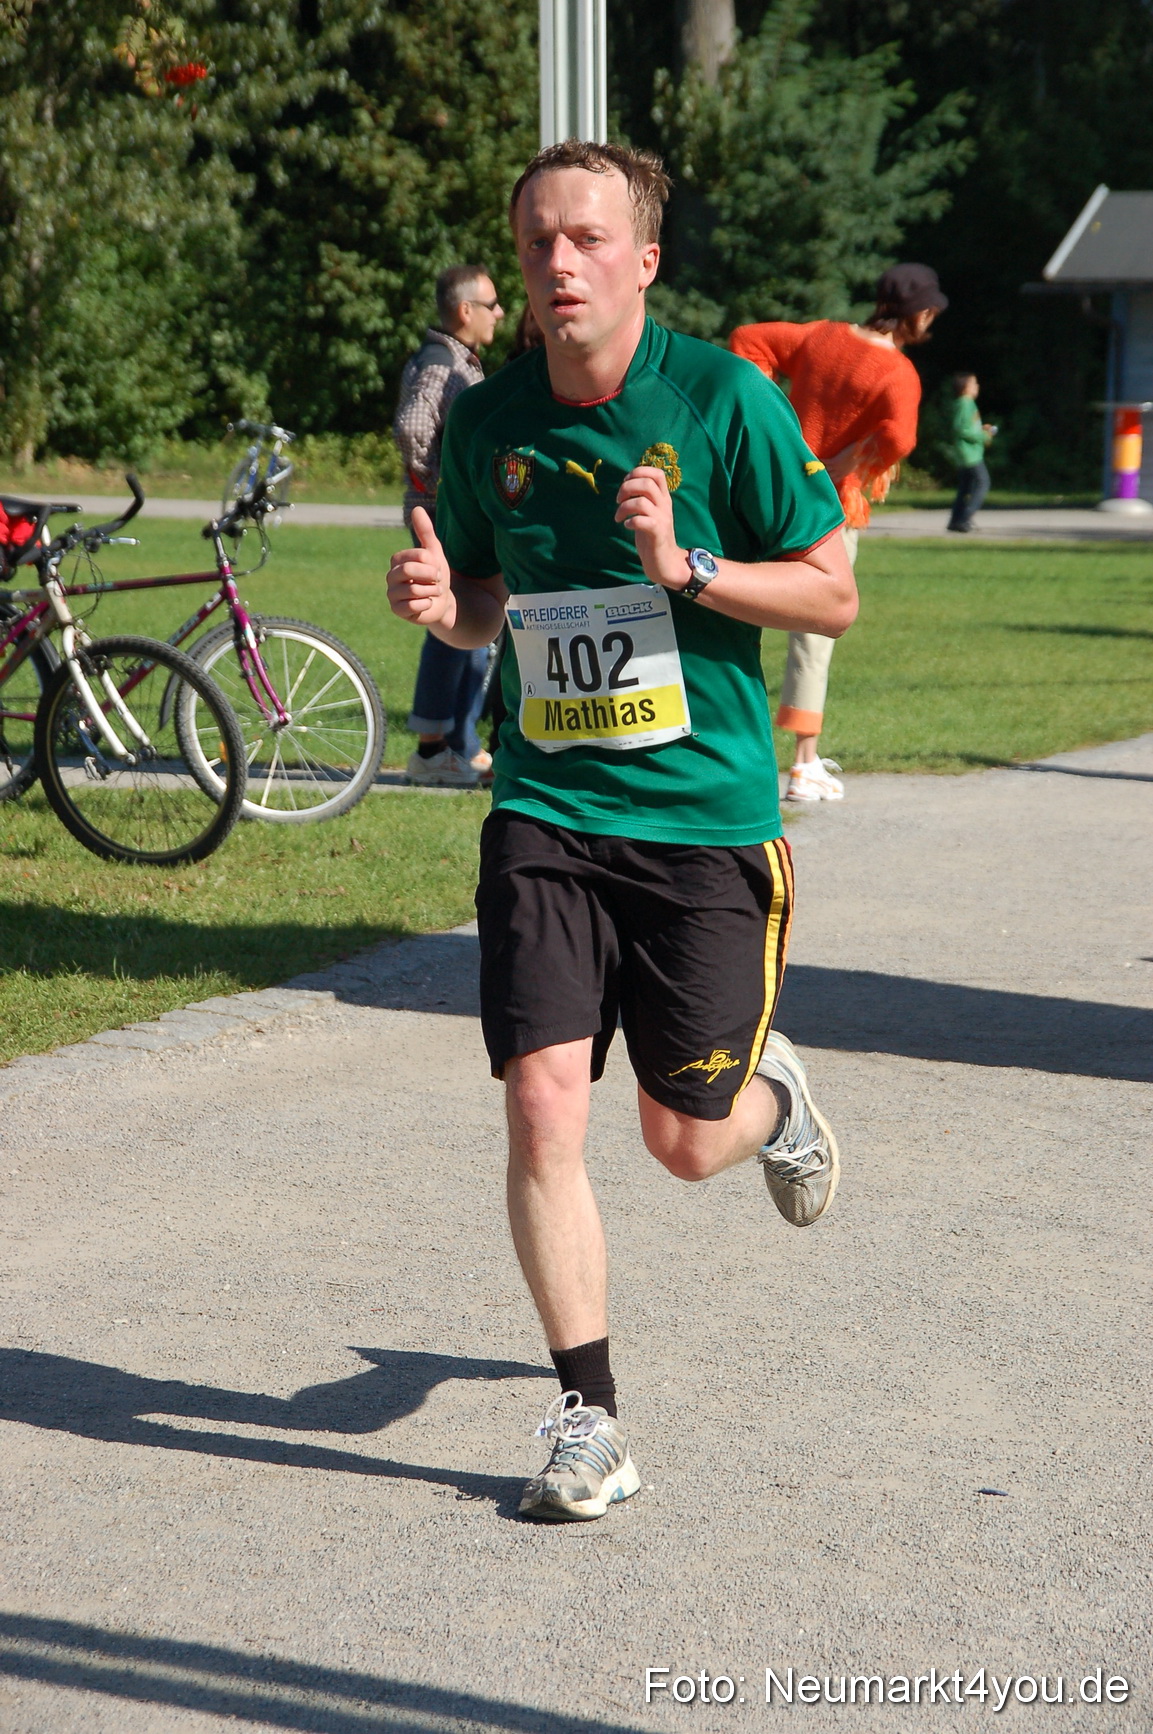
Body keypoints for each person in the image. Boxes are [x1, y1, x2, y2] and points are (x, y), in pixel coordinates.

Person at [386, 140, 857, 1523]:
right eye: (535, 243)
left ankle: (771, 1099)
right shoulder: (491, 423)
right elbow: (483, 602)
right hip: (547, 804)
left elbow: (832, 595)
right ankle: (590, 1414)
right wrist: (442, 607)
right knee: (541, 1101)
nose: (556, 264)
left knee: (683, 1137)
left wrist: (689, 567)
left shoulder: (720, 400)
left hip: (705, 822)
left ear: (643, 259)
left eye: (586, 239)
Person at [730, 265, 947, 802]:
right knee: (816, 630)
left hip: (773, 493)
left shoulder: (823, 336)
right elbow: (900, 436)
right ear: (917, 313)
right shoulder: (899, 374)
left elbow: (748, 340)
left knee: (731, 608)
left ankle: (731, 747)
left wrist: (769, 423)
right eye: (931, 312)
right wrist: (856, 461)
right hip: (830, 509)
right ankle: (804, 764)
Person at [394, 263, 504, 787]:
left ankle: (459, 742)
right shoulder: (443, 363)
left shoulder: (452, 357)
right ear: (466, 312)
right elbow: (414, 426)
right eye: (492, 305)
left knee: (471, 631)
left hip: (450, 513)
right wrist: (440, 485)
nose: (500, 314)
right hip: (443, 517)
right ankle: (434, 749)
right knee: (452, 627)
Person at [946, 372, 995, 533]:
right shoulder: (964, 404)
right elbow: (961, 429)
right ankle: (965, 518)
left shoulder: (966, 404)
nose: (977, 387)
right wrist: (983, 435)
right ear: (965, 388)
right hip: (969, 454)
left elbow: (968, 426)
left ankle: (955, 520)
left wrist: (982, 430)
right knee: (983, 482)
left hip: (969, 452)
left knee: (966, 487)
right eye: (974, 384)